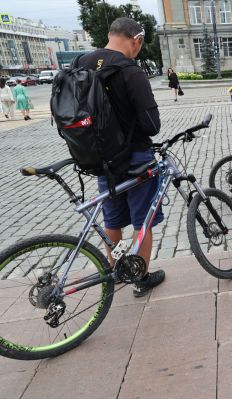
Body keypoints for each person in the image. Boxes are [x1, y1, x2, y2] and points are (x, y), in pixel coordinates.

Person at [77, 17, 164, 297]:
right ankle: (141, 277)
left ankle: (114, 271)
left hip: (99, 158)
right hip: (135, 157)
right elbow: (152, 125)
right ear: (135, 40)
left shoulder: (81, 64)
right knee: (143, 220)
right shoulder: (130, 70)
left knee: (112, 219)